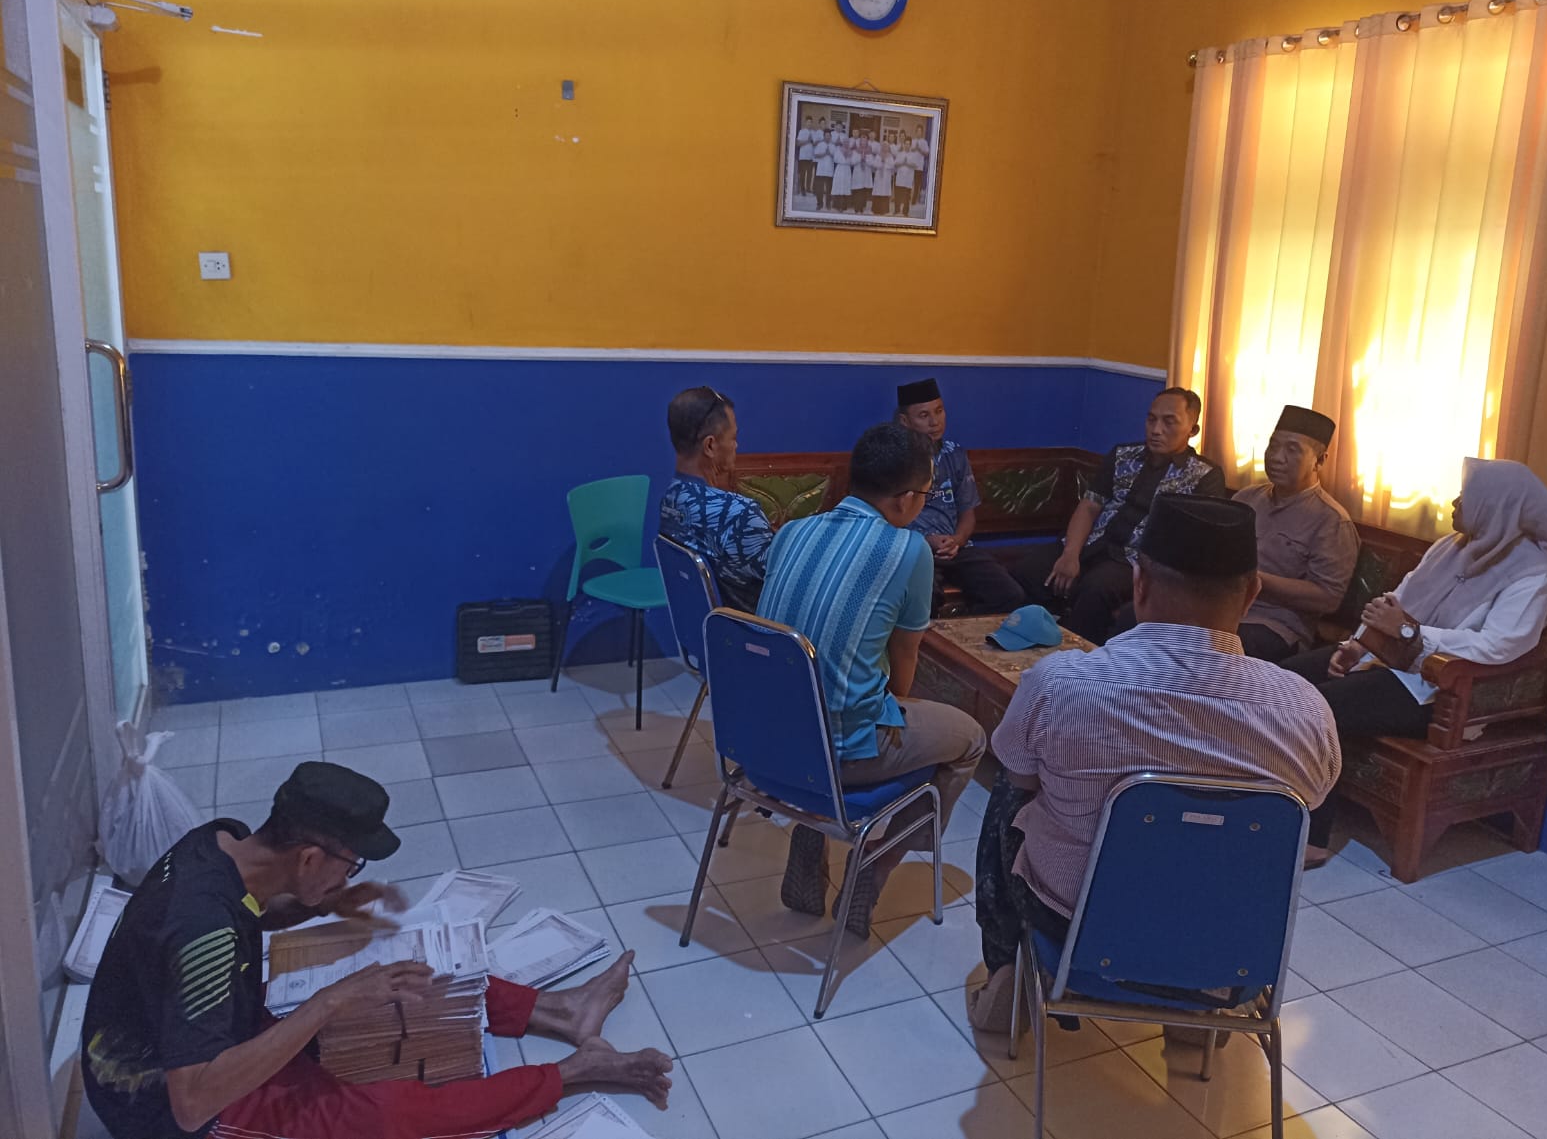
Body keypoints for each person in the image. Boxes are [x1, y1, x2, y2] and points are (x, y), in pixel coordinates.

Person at [81, 762, 672, 1139]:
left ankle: (559, 1011)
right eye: (349, 865)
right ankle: (573, 1072)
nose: (351, 875)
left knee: (395, 976)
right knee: (386, 1116)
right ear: (309, 857)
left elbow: (247, 913)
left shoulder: (221, 840)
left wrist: (324, 905)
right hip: (163, 1106)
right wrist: (328, 1004)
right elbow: (191, 1102)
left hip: (209, 1026)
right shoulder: (202, 933)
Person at [969, 496, 1340, 1031]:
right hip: (1231, 948)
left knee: (1012, 788)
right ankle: (1197, 1012)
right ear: (1252, 594)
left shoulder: (1061, 684)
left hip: (1075, 929)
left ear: (1138, 584)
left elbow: (1023, 779)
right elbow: (1314, 799)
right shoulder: (1304, 710)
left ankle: (1006, 970)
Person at [758, 423, 987, 938]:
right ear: (906, 499)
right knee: (969, 738)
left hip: (762, 742)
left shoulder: (792, 532)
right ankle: (876, 863)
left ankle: (811, 828)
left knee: (825, 694)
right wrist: (899, 715)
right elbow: (905, 661)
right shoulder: (908, 550)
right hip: (837, 755)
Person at [1282, 457, 1547, 865]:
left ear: (1495, 506)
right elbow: (1396, 602)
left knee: (1319, 707)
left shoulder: (1533, 575)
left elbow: (1499, 646)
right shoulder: (1452, 547)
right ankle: (1267, 792)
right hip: (1390, 660)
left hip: (1438, 689)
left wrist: (1413, 634)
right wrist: (1358, 645)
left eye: (1466, 496)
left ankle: (1314, 835)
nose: (1455, 502)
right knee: (1282, 681)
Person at [1018, 387, 1226, 643]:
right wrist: (1070, 554)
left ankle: (1078, 656)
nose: (1156, 429)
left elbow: (1194, 541)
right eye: (1151, 419)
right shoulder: (1123, 455)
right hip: (1094, 543)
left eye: (1169, 422)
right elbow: (1089, 506)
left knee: (1095, 589)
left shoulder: (1204, 476)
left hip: (1137, 562)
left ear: (1192, 430)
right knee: (1029, 568)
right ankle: (1032, 640)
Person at [1230, 406, 1359, 661]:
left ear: (1319, 460)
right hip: (1222, 609)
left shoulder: (1332, 521)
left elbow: (1328, 598)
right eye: (1273, 446)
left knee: (1225, 646)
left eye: (1292, 449)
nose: (1277, 457)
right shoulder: (1246, 498)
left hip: (1275, 625)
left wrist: (1255, 578)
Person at [896, 377, 1026, 614]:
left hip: (956, 548)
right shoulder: (894, 459)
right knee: (922, 598)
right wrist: (926, 540)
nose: (935, 422)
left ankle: (965, 635)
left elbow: (968, 513)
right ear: (905, 421)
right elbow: (887, 520)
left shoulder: (954, 454)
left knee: (1009, 594)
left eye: (939, 411)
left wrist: (958, 540)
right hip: (914, 551)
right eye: (924, 415)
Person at [659, 386, 774, 613]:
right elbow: (785, 581)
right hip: (755, 628)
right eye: (733, 437)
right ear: (710, 445)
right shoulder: (739, 514)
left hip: (704, 626)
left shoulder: (669, 499)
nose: (736, 445)